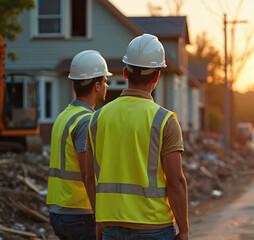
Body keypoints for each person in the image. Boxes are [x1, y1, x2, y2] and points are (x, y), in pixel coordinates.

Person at [86, 33, 189, 240]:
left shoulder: (97, 119)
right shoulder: (164, 120)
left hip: (111, 227)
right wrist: (184, 230)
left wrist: (100, 220)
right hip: (154, 227)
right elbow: (175, 181)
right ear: (157, 76)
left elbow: (90, 177)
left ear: (125, 72)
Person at [47, 50, 111, 240]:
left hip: (59, 211)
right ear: (97, 86)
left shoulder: (64, 115)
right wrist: (100, 216)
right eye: (106, 81)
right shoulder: (86, 121)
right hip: (79, 213)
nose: (107, 85)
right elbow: (87, 173)